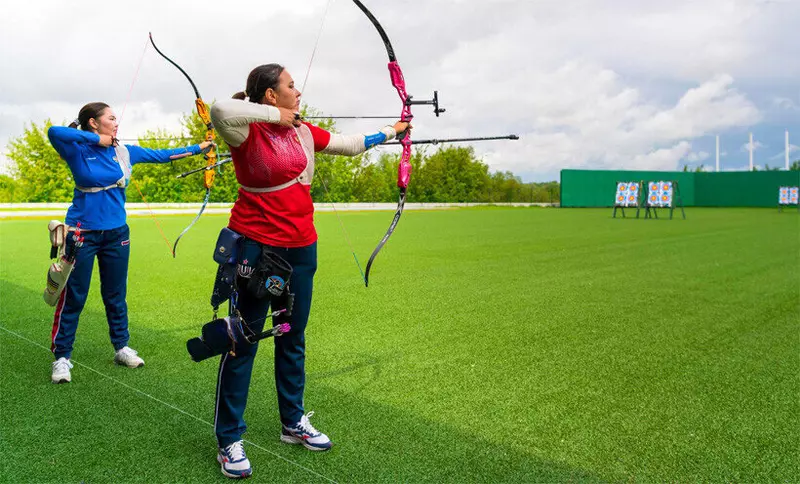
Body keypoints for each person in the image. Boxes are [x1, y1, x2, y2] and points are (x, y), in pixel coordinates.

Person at [207, 64, 409, 479]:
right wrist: (272, 117)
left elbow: (350, 144)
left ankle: (292, 423)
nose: (298, 92)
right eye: (290, 86)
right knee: (243, 341)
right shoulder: (247, 131)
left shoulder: (301, 131)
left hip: (301, 248)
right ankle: (229, 439)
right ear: (269, 95)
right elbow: (219, 110)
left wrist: (392, 130)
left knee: (291, 335)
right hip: (257, 249)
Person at [47, 102, 211, 384]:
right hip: (82, 233)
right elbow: (54, 132)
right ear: (93, 122)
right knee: (74, 296)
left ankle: (121, 347)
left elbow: (164, 156)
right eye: (110, 118)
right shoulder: (77, 149)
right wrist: (96, 139)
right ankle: (62, 357)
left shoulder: (122, 152)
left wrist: (200, 147)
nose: (116, 122)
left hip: (116, 234)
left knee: (115, 294)